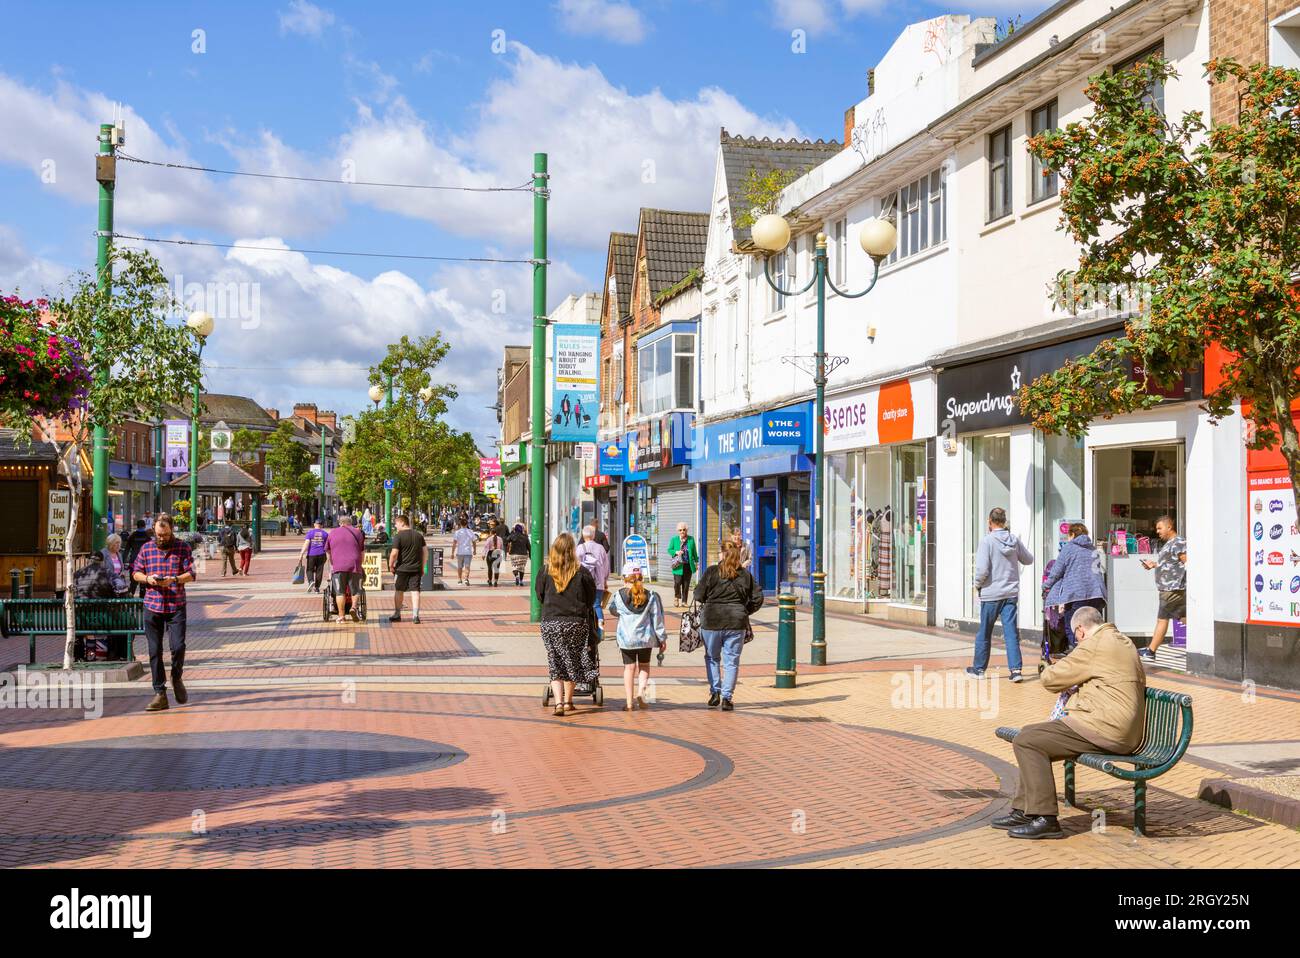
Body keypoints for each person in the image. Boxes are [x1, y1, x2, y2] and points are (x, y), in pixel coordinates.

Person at [994, 606, 1146, 839]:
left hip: (1104, 728)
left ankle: (1045, 818)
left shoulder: (1094, 646)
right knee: (1029, 733)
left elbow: (1050, 680)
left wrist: (1047, 664)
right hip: (1118, 727)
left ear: (1081, 631)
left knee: (1027, 741)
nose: (1077, 641)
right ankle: (1025, 809)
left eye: (1076, 637)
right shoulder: (1121, 640)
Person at [131, 514, 197, 712]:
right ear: (154, 531)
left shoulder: (183, 548)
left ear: (172, 530)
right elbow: (135, 572)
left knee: (178, 646)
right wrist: (148, 578)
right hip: (152, 605)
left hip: (176, 605)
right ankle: (159, 693)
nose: (162, 538)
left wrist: (175, 579)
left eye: (166, 534)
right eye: (159, 535)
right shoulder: (146, 548)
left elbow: (192, 574)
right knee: (154, 651)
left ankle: (176, 677)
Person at [694, 540, 764, 711]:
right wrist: (744, 610)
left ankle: (715, 693)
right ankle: (727, 697)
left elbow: (698, 594)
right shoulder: (745, 575)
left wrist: (709, 601)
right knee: (731, 661)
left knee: (712, 657)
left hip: (711, 620)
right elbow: (758, 598)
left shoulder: (712, 571)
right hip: (736, 621)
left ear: (722, 554)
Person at [968, 507, 1034, 683]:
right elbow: (1028, 559)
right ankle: (1016, 670)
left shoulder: (987, 541)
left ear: (990, 522)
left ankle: (979, 669)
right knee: (1011, 633)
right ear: (1004, 522)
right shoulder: (1013, 540)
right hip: (1010, 593)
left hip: (991, 594)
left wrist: (976, 585)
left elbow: (982, 570)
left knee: (985, 632)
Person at [536, 532, 598, 717]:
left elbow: (539, 594)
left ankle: (559, 703)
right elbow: (591, 597)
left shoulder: (545, 571)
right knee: (573, 659)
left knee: (555, 660)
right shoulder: (581, 572)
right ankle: (569, 701)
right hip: (575, 622)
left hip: (551, 622)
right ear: (572, 551)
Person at [608, 561, 667, 711]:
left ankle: (629, 702)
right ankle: (641, 692)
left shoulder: (618, 595)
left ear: (624, 578)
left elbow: (613, 610)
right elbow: (657, 618)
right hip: (645, 638)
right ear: (641, 577)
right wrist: (662, 638)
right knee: (644, 665)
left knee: (629, 668)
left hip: (626, 639)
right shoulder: (651, 595)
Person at [1043, 522, 1107, 649]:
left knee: (1074, 628)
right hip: (1097, 595)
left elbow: (1056, 572)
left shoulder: (1068, 548)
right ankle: (1095, 655)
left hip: (1076, 595)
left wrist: (1046, 586)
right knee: (1094, 628)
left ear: (1072, 534)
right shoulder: (1093, 549)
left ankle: (1080, 657)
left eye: (1068, 535)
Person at [1140, 515, 1187, 660]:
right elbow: (1172, 564)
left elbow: (1187, 562)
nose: (1157, 531)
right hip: (1171, 588)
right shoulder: (1170, 543)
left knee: (1162, 619)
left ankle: (1151, 651)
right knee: (1185, 618)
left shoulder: (1178, 542)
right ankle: (1208, 641)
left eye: (1160, 528)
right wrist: (1154, 565)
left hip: (1172, 589)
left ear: (1169, 527)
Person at [325, 514, 366, 622]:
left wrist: (331, 565)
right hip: (354, 565)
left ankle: (341, 616)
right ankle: (353, 607)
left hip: (338, 566)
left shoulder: (332, 533)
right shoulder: (357, 532)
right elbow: (362, 551)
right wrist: (360, 564)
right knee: (356, 590)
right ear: (350, 523)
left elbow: (328, 552)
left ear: (340, 523)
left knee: (339, 592)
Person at [388, 514, 426, 624]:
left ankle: (397, 613)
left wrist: (391, 565)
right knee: (415, 591)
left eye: (396, 524)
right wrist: (422, 567)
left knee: (399, 591)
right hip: (416, 568)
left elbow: (394, 553)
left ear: (402, 523)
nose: (395, 526)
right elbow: (425, 553)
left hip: (401, 569)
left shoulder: (398, 536)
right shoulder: (419, 536)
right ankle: (415, 615)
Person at [576, 525, 610, 631]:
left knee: (585, 604)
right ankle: (600, 625)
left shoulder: (580, 548)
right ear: (594, 535)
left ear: (583, 535)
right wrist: (605, 580)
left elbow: (575, 565)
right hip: (598, 581)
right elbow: (606, 566)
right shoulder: (600, 548)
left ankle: (587, 627)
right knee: (596, 604)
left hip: (583, 582)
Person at [667, 522, 699, 609]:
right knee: (677, 582)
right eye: (680, 530)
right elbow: (669, 550)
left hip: (688, 565)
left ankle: (684, 601)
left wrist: (696, 562)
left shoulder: (691, 539)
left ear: (686, 530)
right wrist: (676, 552)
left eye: (684, 530)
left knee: (686, 584)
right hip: (678, 565)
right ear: (678, 531)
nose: (682, 531)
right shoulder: (674, 539)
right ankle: (676, 597)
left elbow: (694, 552)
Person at [124, 520, 153, 597]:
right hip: (145, 562)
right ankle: (141, 603)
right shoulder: (147, 536)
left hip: (133, 561)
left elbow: (127, 549)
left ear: (137, 526)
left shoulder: (132, 536)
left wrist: (124, 561)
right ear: (144, 526)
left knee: (133, 583)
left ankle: (130, 600)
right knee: (143, 584)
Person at [299, 518, 329, 593]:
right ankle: (317, 588)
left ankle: (311, 581)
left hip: (312, 554)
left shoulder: (310, 533)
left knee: (309, 569)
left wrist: (301, 553)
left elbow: (306, 543)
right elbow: (327, 546)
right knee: (319, 571)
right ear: (322, 525)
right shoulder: (325, 534)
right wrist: (329, 557)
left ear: (315, 524)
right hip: (322, 554)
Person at [452, 519, 477, 586]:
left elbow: (454, 543)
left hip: (460, 552)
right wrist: (474, 550)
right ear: (467, 524)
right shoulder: (471, 531)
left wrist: (452, 553)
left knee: (459, 567)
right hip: (468, 552)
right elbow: (474, 542)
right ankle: (466, 579)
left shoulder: (457, 532)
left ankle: (459, 580)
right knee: (467, 567)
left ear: (460, 524)